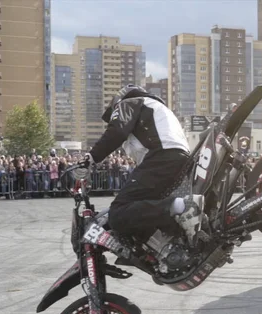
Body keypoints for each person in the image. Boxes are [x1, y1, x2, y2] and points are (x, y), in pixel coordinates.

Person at [78, 84, 204, 243]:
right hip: (178, 160)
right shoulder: (158, 109)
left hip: (161, 157)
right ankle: (173, 243)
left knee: (118, 212)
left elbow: (117, 131)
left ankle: (183, 206)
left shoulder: (131, 102)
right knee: (142, 209)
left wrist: (91, 158)